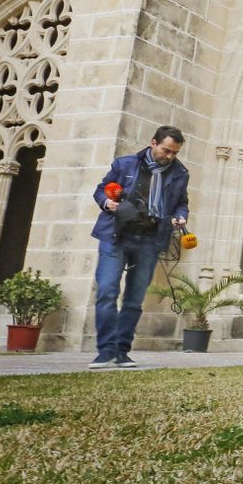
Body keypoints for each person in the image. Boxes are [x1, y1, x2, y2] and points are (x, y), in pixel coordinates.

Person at [88, 126, 189, 369]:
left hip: (150, 239)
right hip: (117, 235)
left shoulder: (180, 173)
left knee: (134, 299)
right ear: (153, 143)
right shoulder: (125, 165)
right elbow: (101, 190)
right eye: (166, 150)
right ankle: (106, 352)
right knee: (108, 291)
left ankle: (122, 352)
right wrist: (108, 203)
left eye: (174, 153)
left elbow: (182, 204)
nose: (169, 156)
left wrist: (180, 216)